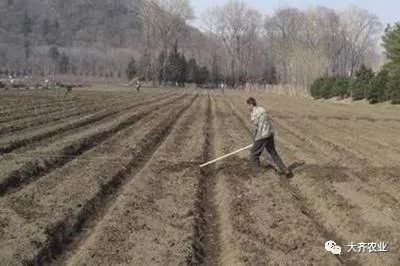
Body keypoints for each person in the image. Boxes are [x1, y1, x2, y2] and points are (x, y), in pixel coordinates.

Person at [247, 97, 292, 177]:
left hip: (262, 135)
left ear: (251, 105)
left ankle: (258, 173)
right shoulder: (262, 109)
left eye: (248, 105)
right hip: (270, 133)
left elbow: (256, 128)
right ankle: (285, 169)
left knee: (254, 154)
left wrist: (255, 139)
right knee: (273, 152)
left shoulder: (254, 114)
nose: (247, 107)